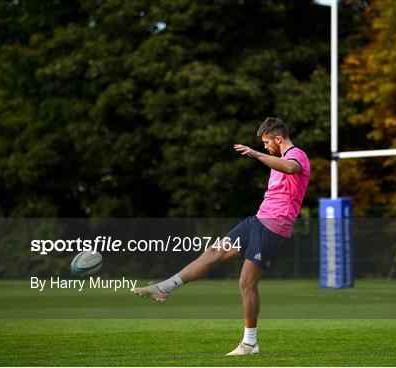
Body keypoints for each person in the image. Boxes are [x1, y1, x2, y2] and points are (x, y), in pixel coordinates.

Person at [131, 117, 310, 356]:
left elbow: (290, 168)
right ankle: (164, 288)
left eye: (267, 142)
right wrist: (261, 155)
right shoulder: (276, 158)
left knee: (246, 282)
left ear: (279, 138)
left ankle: (250, 344)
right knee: (214, 251)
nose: (266, 146)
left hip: (275, 226)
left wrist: (256, 154)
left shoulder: (298, 155)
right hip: (258, 219)